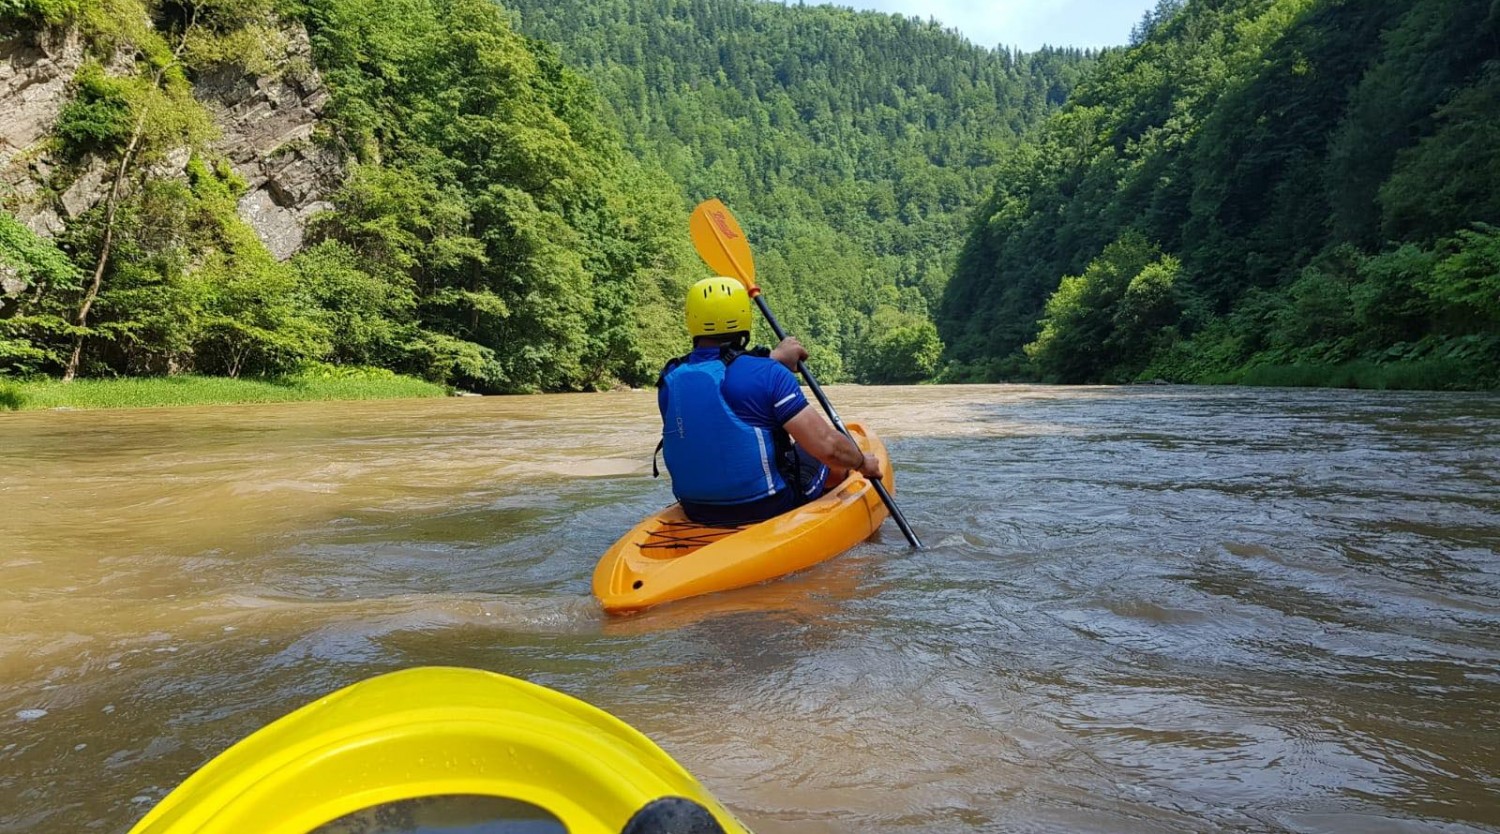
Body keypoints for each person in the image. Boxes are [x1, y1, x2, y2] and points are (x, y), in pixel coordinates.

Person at [656, 276, 882, 525]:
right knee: (838, 454)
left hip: (696, 510)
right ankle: (822, 512)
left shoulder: (669, 379)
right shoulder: (768, 374)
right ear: (743, 316)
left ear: (692, 319)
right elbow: (829, 447)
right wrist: (862, 462)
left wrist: (773, 357)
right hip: (766, 507)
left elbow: (721, 385)